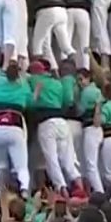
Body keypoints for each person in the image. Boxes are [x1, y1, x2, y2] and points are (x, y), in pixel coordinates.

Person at [0, 59, 32, 194]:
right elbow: (30, 102)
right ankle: (24, 190)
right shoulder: (23, 86)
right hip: (15, 126)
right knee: (21, 166)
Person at [33, 61, 82, 193]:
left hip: (46, 123)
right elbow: (67, 101)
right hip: (62, 121)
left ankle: (63, 192)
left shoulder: (33, 79)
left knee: (51, 160)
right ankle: (82, 190)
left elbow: (29, 101)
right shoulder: (58, 83)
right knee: (69, 162)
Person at [63, 0, 96, 72]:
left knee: (66, 41)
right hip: (83, 11)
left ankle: (65, 67)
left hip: (68, 10)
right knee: (84, 43)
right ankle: (85, 68)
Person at [76, 67, 106, 194]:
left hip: (90, 128)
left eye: (81, 79)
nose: (79, 82)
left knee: (90, 164)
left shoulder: (86, 92)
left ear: (88, 78)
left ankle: (99, 192)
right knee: (98, 164)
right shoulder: (98, 91)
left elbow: (80, 110)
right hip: (100, 129)